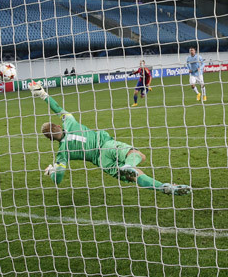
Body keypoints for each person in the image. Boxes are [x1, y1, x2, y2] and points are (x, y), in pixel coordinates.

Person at [28, 80, 191, 196]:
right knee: (137, 155)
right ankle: (129, 165)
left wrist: (52, 171)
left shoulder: (62, 153)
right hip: (106, 144)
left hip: (102, 163)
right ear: (57, 126)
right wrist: (42, 94)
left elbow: (59, 178)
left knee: (135, 176)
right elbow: (57, 108)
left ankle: (164, 187)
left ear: (50, 139)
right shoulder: (70, 122)